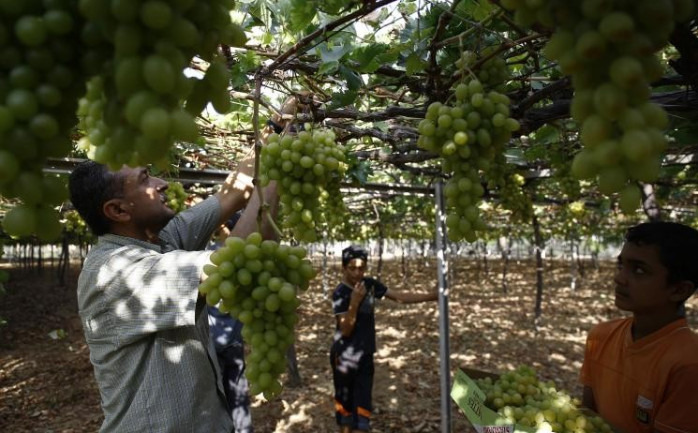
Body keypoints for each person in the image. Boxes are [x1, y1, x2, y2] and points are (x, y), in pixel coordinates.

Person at [579, 221, 698, 433]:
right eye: (621, 265)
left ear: (680, 290)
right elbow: (586, 417)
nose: (619, 278)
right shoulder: (600, 337)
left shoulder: (688, 365)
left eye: (639, 270)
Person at [330, 245, 438, 433]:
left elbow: (398, 297)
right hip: (344, 358)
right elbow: (346, 330)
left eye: (361, 268)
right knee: (345, 411)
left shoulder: (369, 284)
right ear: (343, 268)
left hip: (365, 354)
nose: (357, 272)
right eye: (352, 268)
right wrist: (354, 302)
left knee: (363, 409)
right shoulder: (340, 293)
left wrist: (431, 296)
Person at [207, 213, 252, 433]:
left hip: (212, 340)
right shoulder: (244, 258)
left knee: (215, 399)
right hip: (234, 338)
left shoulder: (206, 256)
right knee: (238, 395)